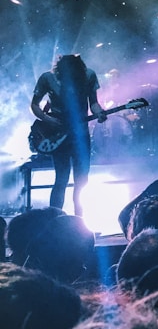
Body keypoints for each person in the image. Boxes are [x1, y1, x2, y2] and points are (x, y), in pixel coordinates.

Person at [30, 54, 107, 217]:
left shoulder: (89, 76)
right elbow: (34, 104)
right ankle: (54, 218)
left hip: (81, 134)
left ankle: (79, 219)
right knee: (61, 178)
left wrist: (99, 112)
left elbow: (93, 102)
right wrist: (47, 119)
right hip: (58, 133)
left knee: (82, 180)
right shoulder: (47, 78)